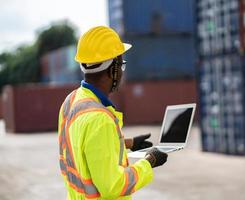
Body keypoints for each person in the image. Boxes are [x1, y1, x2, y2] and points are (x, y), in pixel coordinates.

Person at [58, 26, 168, 200]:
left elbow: (84, 146)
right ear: (113, 69)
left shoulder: (70, 101)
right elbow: (113, 185)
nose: (122, 73)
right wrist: (149, 162)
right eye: (121, 65)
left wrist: (128, 143)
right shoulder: (100, 119)